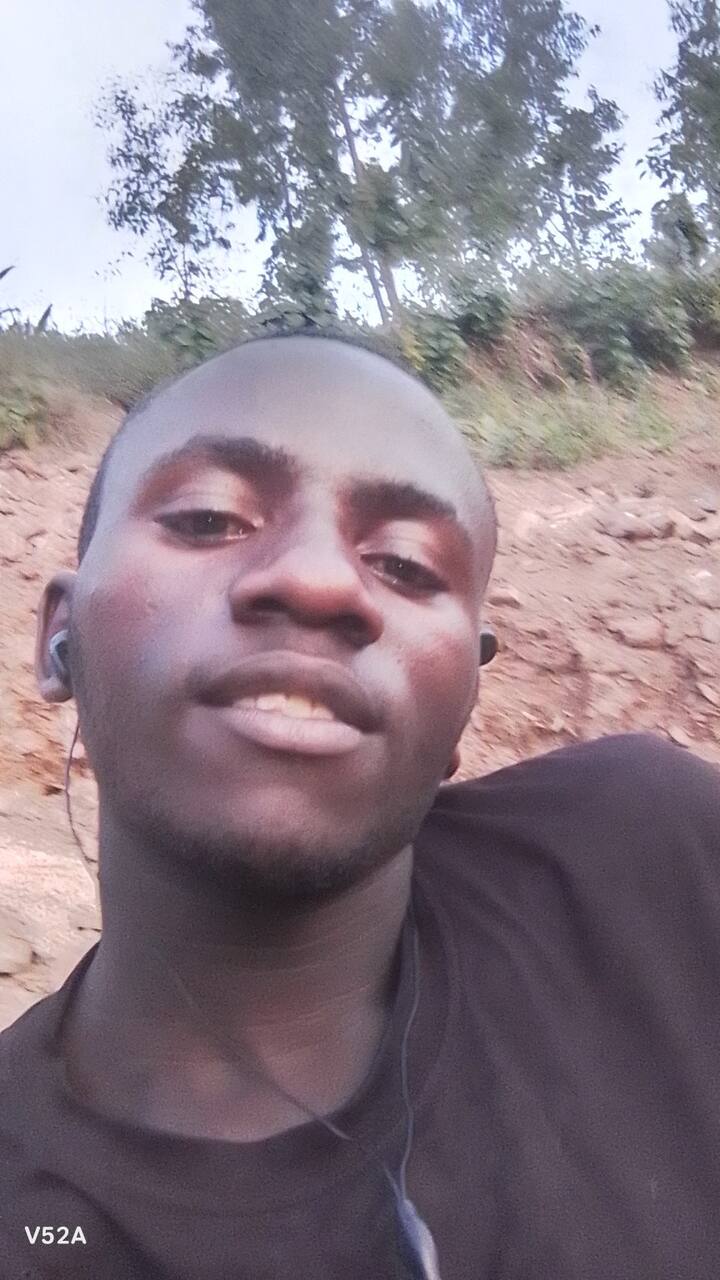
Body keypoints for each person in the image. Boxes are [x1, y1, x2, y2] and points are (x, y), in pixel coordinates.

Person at [0, 330, 719, 1280]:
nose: (318, 580)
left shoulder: (651, 867)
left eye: (409, 565)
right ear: (61, 639)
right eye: (210, 517)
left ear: (464, 704)